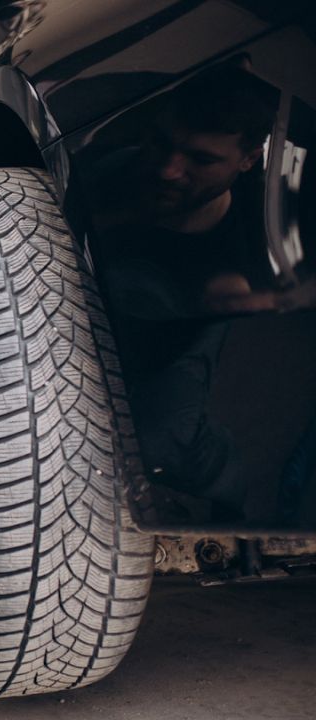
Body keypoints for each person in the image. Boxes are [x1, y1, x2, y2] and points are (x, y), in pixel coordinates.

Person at [94, 63, 275, 518]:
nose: (169, 170)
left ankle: (229, 492)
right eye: (162, 144)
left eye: (201, 159)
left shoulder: (251, 247)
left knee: (159, 443)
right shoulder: (98, 176)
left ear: (248, 159)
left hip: (182, 335)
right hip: (90, 306)